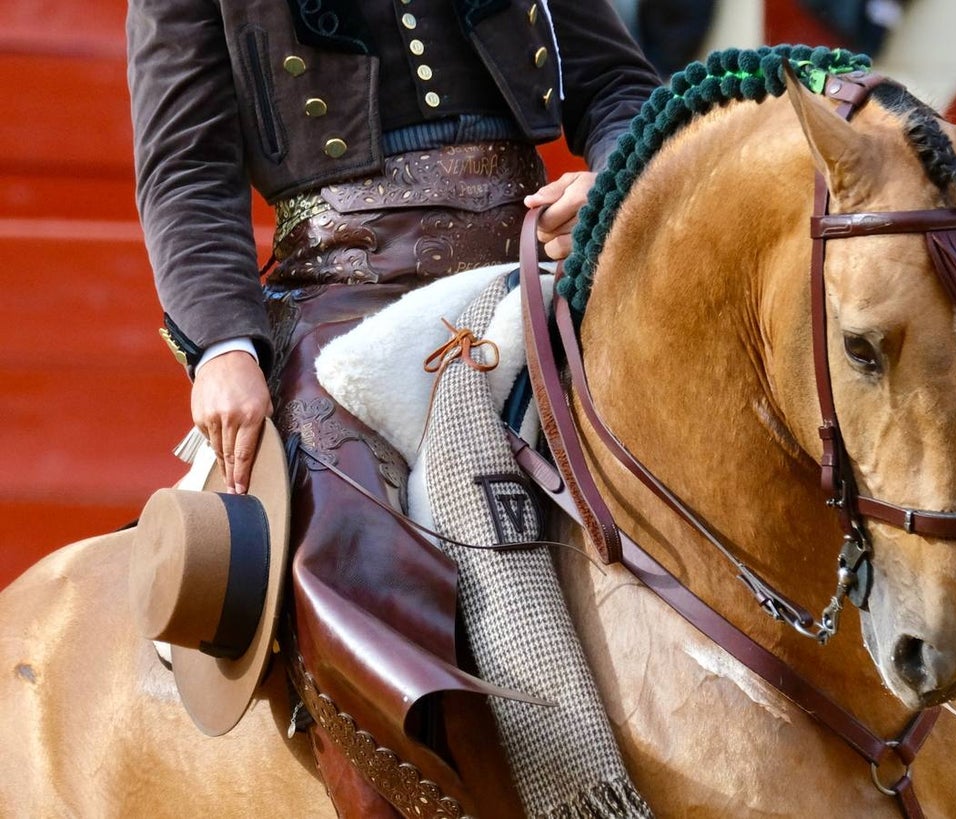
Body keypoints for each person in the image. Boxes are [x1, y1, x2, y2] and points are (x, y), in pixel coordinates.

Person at [126, 1, 661, 814]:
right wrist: (225, 345)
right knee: (336, 538)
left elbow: (619, 86)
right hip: (338, 293)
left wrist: (613, 187)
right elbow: (186, 167)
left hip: (528, 265)